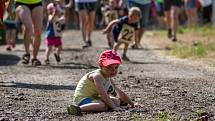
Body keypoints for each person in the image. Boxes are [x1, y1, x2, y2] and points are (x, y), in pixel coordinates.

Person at [67, 50, 142, 116]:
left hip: (93, 97)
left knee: (116, 101)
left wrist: (132, 104)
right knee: (103, 106)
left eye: (116, 67)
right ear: (100, 66)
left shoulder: (107, 76)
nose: (113, 71)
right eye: (109, 67)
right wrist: (114, 107)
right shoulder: (97, 76)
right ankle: (77, 109)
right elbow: (103, 94)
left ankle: (111, 105)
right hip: (82, 99)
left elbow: (119, 92)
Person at [8, 0, 43, 66]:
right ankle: (27, 53)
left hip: (37, 2)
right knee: (28, 26)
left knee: (38, 31)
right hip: (21, 2)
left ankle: (34, 58)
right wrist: (9, 4)